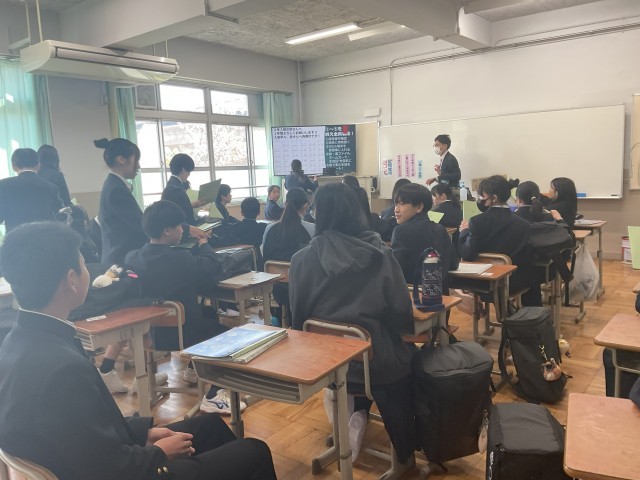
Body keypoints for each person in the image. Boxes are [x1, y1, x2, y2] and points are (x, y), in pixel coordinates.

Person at [0, 221, 277, 480]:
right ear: (71, 279)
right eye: (84, 264)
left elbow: (83, 432)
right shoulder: (62, 369)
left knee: (210, 426)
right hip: (121, 471)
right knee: (254, 450)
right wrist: (158, 453)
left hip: (98, 457)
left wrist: (142, 433)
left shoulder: (20, 340)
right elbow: (107, 469)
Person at [289, 183, 416, 469]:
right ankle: (405, 452)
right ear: (357, 211)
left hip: (324, 364)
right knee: (412, 358)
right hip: (375, 363)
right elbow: (401, 313)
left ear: (318, 214)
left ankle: (350, 423)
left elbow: (298, 319)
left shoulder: (301, 260)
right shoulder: (381, 255)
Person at [124, 201, 239, 414]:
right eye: (179, 226)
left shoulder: (132, 258)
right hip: (184, 334)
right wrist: (204, 243)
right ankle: (214, 394)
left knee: (209, 313)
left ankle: (193, 370)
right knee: (232, 336)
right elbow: (212, 267)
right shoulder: (181, 259)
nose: (182, 230)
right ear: (167, 230)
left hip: (150, 334)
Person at [459, 175, 541, 306]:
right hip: (516, 282)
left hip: (485, 281)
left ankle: (479, 309)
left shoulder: (476, 222)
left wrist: (464, 231)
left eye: (482, 196)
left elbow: (468, 254)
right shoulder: (523, 224)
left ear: (494, 198)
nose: (479, 200)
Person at [262, 188, 314, 323]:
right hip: (302, 288)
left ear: (285, 204)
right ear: (306, 205)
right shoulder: (311, 229)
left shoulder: (269, 229)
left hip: (276, 287)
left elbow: (264, 255)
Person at [392, 183, 459, 288]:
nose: (396, 209)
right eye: (396, 204)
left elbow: (396, 272)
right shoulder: (441, 229)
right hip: (439, 294)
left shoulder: (401, 231)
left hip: (413, 294)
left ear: (419, 207)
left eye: (402, 204)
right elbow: (454, 264)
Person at [0, 148, 63, 232]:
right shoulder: (52, 188)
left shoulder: (3, 185)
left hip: (16, 237)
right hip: (45, 236)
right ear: (38, 165)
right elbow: (60, 214)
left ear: (13, 166)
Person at [161, 153, 209, 226]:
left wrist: (190, 205)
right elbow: (187, 217)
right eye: (189, 171)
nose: (189, 174)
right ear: (183, 170)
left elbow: (180, 207)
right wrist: (204, 217)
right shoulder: (177, 189)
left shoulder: (172, 185)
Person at [227, 197, 267, 268]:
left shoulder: (234, 227)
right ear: (259, 212)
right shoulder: (263, 227)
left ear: (242, 213)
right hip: (256, 261)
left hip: (239, 263)